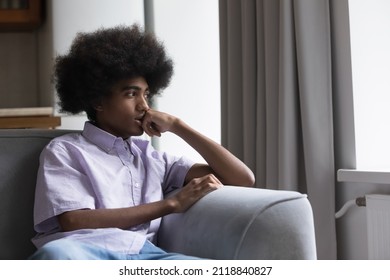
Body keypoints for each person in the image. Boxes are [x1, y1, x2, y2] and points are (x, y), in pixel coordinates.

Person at [29, 25, 255, 260]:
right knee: (55, 256)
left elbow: (242, 179)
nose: (144, 106)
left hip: (145, 256)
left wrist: (178, 125)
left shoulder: (153, 159)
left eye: (146, 94)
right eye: (131, 94)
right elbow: (74, 221)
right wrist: (171, 204)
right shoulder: (66, 150)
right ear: (97, 100)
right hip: (82, 253)